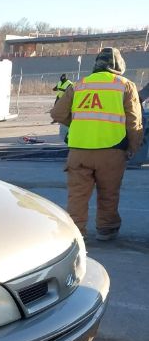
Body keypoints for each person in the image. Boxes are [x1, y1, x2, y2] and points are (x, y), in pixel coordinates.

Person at [50, 47, 143, 241]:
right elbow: (133, 122)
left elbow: (57, 113)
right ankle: (106, 230)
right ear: (119, 65)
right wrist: (133, 147)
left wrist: (79, 124)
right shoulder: (125, 85)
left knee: (77, 196)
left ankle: (76, 235)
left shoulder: (79, 85)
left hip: (79, 152)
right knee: (108, 194)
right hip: (111, 151)